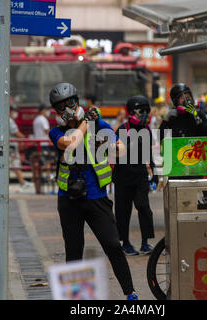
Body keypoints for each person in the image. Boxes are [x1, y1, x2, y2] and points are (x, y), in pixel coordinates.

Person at [48, 82, 138, 300]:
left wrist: (108, 144)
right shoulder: (56, 131)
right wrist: (86, 123)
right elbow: (69, 143)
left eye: (70, 103)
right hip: (68, 201)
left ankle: (130, 293)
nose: (67, 109)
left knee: (112, 246)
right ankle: (76, 300)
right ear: (56, 112)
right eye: (61, 107)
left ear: (77, 102)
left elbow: (122, 149)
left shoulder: (100, 125)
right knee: (74, 252)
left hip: (97, 198)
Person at [113, 95, 156, 256]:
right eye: (141, 111)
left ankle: (146, 242)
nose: (144, 114)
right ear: (132, 112)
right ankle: (125, 243)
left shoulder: (146, 130)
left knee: (144, 207)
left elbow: (148, 153)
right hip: (123, 176)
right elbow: (115, 153)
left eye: (147, 110)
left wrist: (154, 170)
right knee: (123, 211)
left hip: (140, 175)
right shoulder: (123, 129)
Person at [10, 105, 33, 192]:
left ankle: (22, 182)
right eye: (14, 111)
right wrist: (25, 138)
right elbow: (16, 133)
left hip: (11, 146)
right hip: (11, 147)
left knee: (14, 163)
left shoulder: (10, 120)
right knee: (15, 163)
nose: (16, 113)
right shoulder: (10, 120)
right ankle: (22, 183)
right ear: (10, 111)